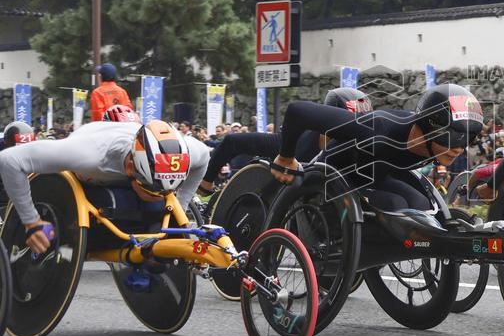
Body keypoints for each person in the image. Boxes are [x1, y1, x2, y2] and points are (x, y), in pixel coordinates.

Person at [0, 120, 209, 254]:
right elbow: (9, 160)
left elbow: (204, 158)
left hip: (127, 148)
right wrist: (32, 222)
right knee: (116, 204)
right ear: (130, 167)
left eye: (165, 191)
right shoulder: (85, 154)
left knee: (157, 210)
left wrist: (179, 205)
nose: (159, 195)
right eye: (152, 189)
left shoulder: (190, 151)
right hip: (95, 156)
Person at [269, 84, 483, 212]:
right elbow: (297, 111)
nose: (459, 148)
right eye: (451, 137)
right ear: (427, 128)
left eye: (467, 139)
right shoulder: (376, 128)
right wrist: (286, 157)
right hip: (331, 178)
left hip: (374, 175)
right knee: (395, 203)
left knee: (422, 205)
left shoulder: (435, 145)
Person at [198, 87, 372, 194]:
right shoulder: (293, 140)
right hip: (280, 184)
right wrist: (207, 180)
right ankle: (205, 183)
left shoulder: (362, 148)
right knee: (234, 141)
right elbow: (232, 142)